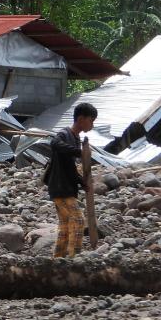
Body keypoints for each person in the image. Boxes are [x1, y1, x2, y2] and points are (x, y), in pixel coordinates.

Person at [45, 102, 97, 258]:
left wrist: (81, 182)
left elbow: (70, 167)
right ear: (81, 119)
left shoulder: (75, 138)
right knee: (79, 221)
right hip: (60, 187)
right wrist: (78, 152)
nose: (92, 124)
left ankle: (58, 260)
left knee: (66, 225)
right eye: (91, 120)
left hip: (64, 186)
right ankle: (74, 258)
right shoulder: (64, 134)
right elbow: (54, 143)